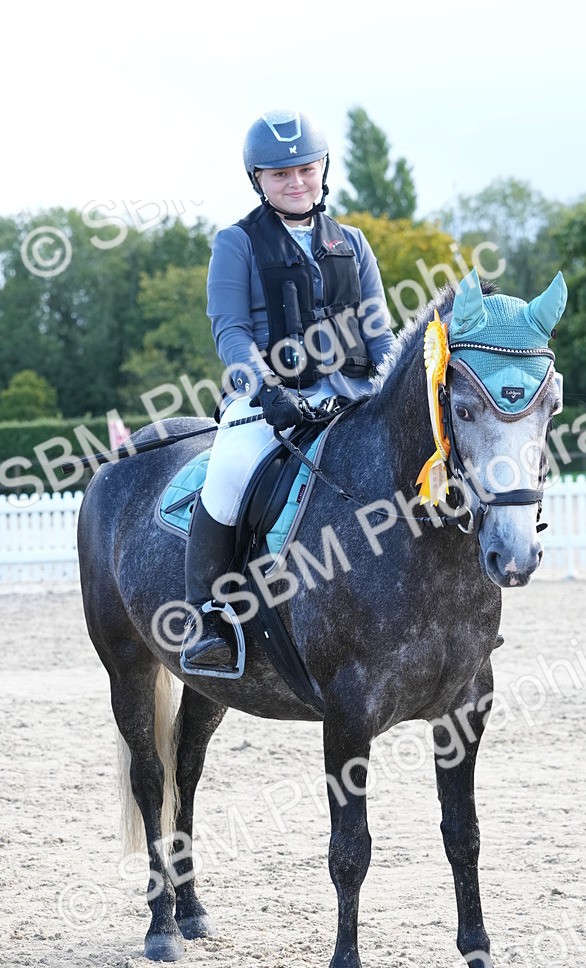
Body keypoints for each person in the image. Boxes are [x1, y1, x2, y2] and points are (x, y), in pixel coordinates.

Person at [181, 109, 396, 673]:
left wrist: (398, 384)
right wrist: (266, 388)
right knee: (228, 472)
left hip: (354, 402)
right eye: (280, 174)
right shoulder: (237, 242)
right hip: (272, 404)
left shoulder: (352, 242)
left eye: (305, 169)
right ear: (258, 179)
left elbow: (378, 331)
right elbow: (230, 330)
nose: (295, 181)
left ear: (324, 169)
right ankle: (207, 617)